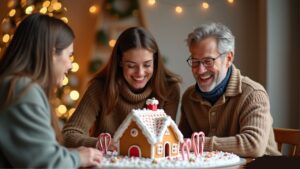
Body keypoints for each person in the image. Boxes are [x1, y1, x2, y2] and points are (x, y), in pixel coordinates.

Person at [0, 13, 102, 168]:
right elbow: (47, 162)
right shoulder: (23, 90)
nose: (70, 65)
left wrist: (71, 155)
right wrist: (78, 157)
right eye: (69, 56)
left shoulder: (16, 85)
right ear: (51, 52)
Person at [63, 27, 181, 149]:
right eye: (131, 65)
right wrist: (105, 144)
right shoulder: (100, 88)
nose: (140, 73)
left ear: (155, 61)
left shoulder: (169, 89)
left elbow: (166, 139)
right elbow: (69, 134)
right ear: (120, 61)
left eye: (147, 65)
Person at [178, 23, 281, 157]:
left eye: (208, 61)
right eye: (195, 61)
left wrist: (199, 144)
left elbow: (253, 145)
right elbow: (181, 142)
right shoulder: (189, 97)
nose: (200, 70)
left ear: (228, 58)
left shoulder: (253, 94)